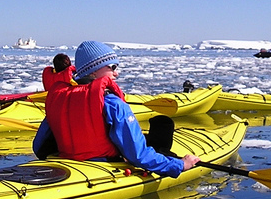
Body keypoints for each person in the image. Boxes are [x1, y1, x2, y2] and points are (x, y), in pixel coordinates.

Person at [32, 40, 200, 177]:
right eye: (111, 67)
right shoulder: (112, 103)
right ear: (93, 71)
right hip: (104, 168)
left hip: (67, 164)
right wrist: (180, 165)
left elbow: (39, 147)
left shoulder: (59, 99)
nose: (116, 73)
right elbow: (138, 155)